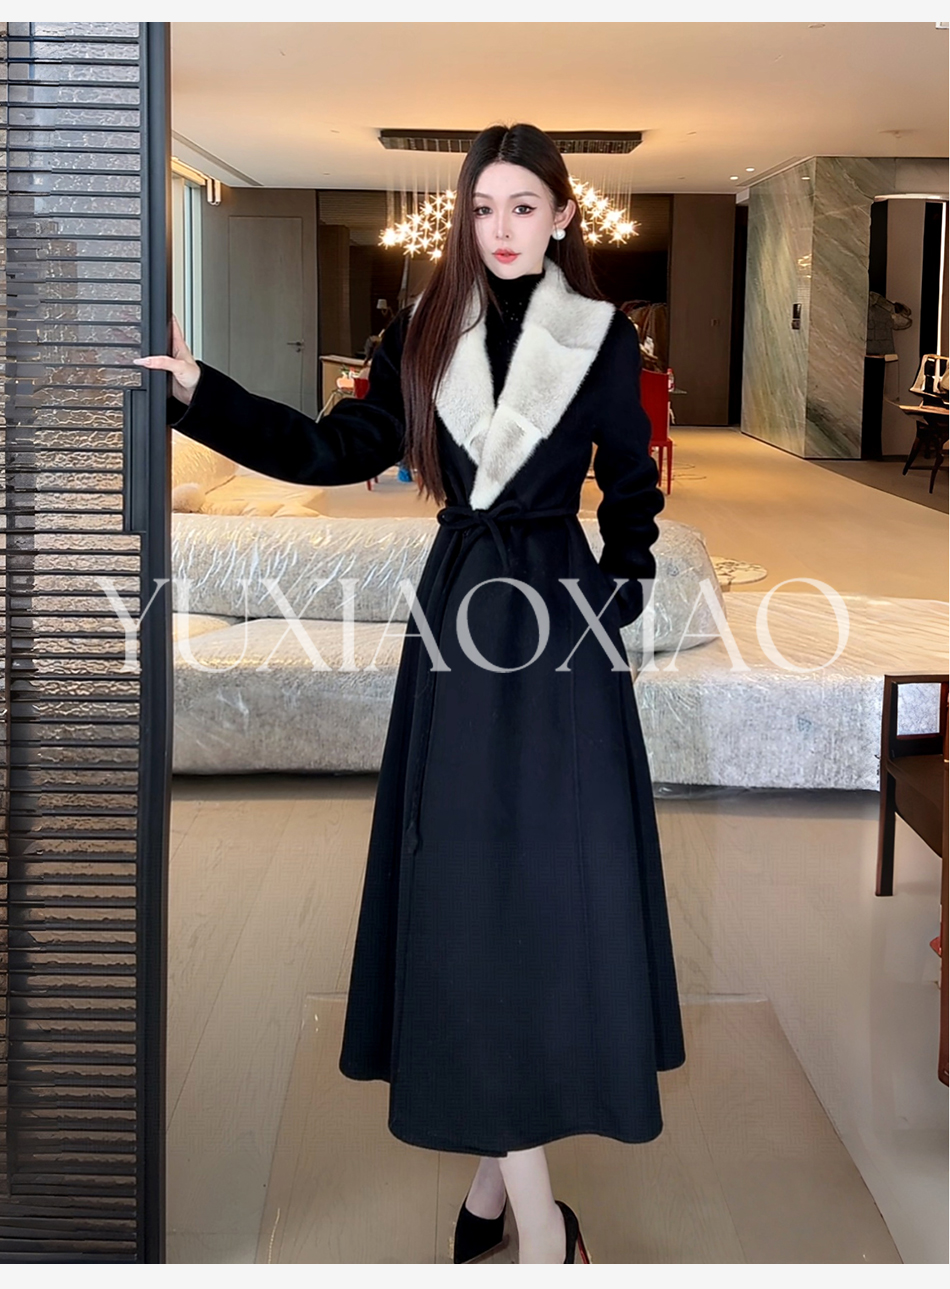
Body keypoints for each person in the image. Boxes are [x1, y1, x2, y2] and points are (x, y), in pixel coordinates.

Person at [134, 121, 685, 1265]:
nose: (500, 228)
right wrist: (200, 391)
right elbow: (333, 449)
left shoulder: (598, 338)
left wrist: (619, 589)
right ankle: (539, 1224)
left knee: (543, 884)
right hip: (462, 607)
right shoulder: (424, 329)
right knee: (471, 886)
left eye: (523, 206)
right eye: (482, 207)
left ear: (562, 216)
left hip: (560, 617)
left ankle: (500, 1194)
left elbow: (632, 484)